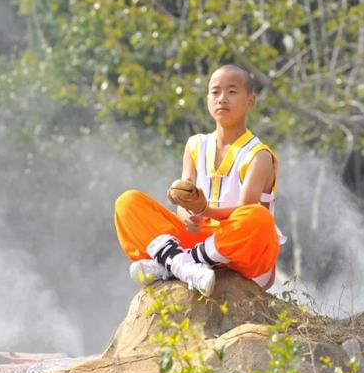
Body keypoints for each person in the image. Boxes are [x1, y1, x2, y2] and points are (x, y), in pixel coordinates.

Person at [114, 64, 286, 297]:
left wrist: (204, 210)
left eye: (232, 91)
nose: (222, 99)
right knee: (127, 202)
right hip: (198, 239)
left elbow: (244, 210)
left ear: (250, 101)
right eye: (215, 92)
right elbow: (185, 201)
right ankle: (184, 265)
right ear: (207, 99)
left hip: (241, 249)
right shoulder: (196, 144)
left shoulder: (258, 155)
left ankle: (174, 262)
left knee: (258, 217)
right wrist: (187, 212)